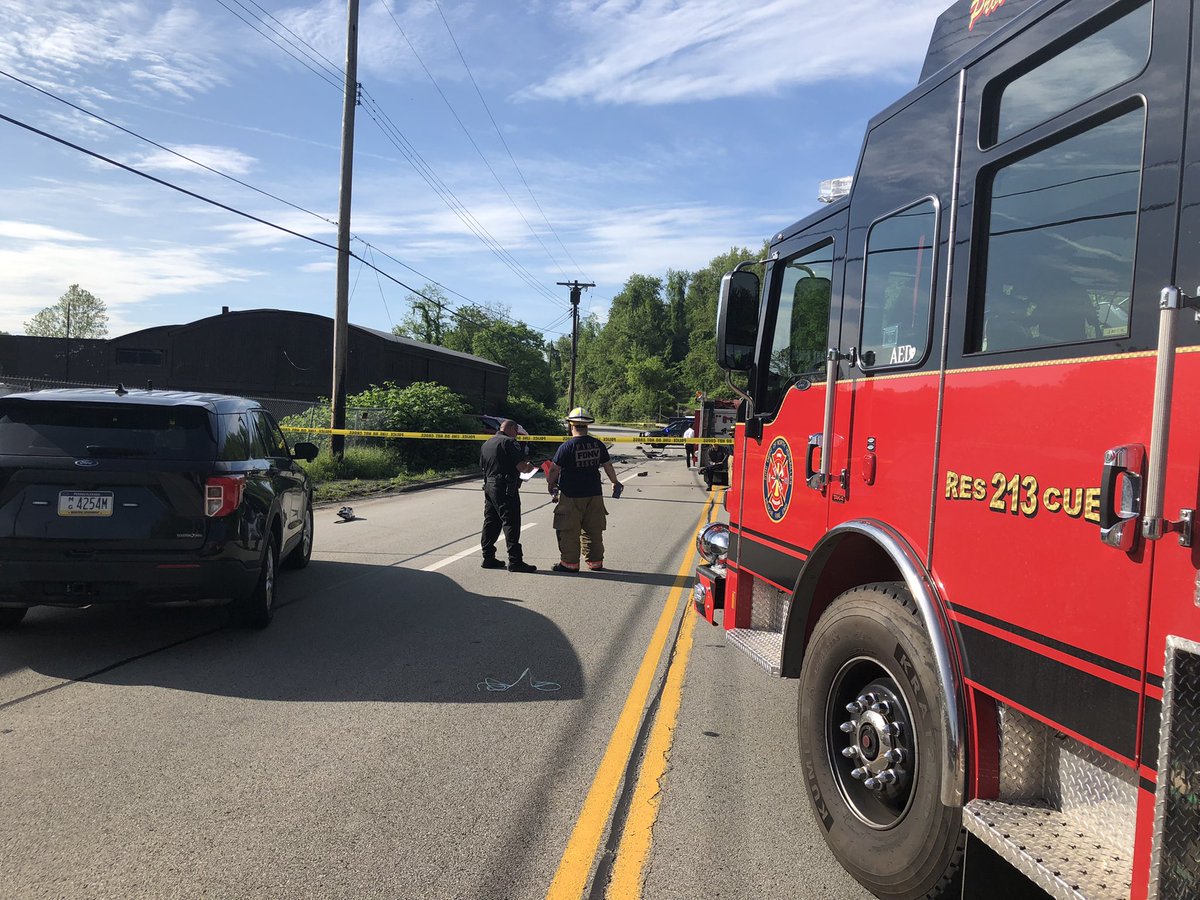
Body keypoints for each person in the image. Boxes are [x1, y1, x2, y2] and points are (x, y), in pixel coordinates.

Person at [545, 407, 623, 572]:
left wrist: (551, 485)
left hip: (571, 494)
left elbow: (553, 469)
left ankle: (569, 564)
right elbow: (607, 465)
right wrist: (614, 481)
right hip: (594, 494)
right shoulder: (598, 444)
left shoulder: (566, 447)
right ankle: (595, 562)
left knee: (568, 529)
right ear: (587, 426)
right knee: (593, 529)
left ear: (571, 425)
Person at [479, 419, 537, 573]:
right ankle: (515, 561)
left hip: (489, 486)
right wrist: (529, 466)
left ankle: (488, 557)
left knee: (491, 521)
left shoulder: (487, 443)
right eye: (516, 432)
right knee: (511, 521)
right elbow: (522, 467)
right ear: (511, 428)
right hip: (505, 487)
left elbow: (483, 466)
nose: (517, 435)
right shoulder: (509, 442)